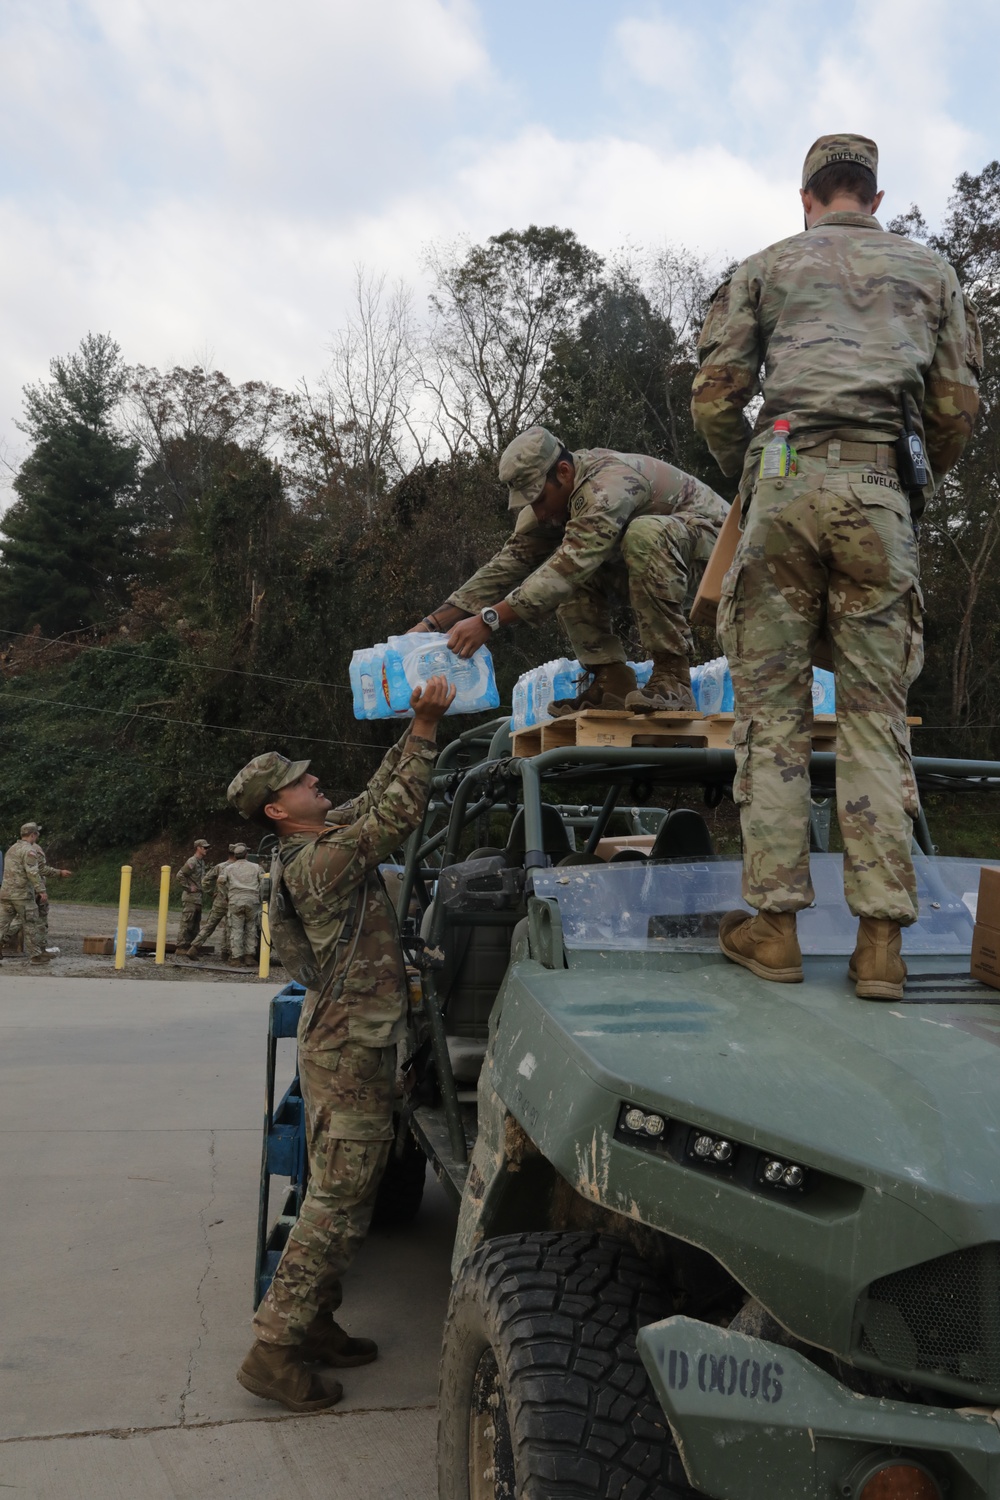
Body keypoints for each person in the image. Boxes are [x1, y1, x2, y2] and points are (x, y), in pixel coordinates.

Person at [691, 132, 982, 1000]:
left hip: (778, 477)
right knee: (873, 717)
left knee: (773, 716)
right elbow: (959, 408)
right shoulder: (931, 274)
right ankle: (881, 946)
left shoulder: (767, 266)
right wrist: (901, 474)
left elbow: (714, 392)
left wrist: (751, 465)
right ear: (875, 198)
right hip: (878, 486)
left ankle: (774, 929)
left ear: (808, 197)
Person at [227, 674, 455, 1413]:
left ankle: (315, 1321)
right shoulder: (320, 863)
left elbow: (375, 795)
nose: (314, 780)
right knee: (336, 1198)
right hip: (347, 1049)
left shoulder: (318, 840)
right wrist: (424, 728)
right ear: (276, 810)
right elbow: (397, 812)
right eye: (298, 782)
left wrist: (412, 734)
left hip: (353, 1040)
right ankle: (274, 1347)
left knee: (351, 1196)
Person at [410, 427, 728, 714]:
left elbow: (572, 564)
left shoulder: (607, 485)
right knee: (565, 571)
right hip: (664, 565)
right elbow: (506, 566)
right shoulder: (557, 503)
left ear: (563, 472)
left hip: (720, 565)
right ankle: (612, 684)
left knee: (616, 546)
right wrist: (430, 624)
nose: (539, 511)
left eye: (539, 498)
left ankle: (673, 680)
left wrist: (488, 620)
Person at [0, 823, 64, 964]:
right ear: (32, 835)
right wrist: (41, 890)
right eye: (36, 834)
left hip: (5, 893)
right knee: (31, 924)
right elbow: (33, 872)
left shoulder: (12, 849)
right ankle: (36, 956)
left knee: (2, 925)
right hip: (22, 895)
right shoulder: (29, 851)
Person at [182, 846, 236, 960]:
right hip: (233, 900)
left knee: (209, 925)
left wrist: (211, 893)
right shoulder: (239, 868)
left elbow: (205, 880)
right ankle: (226, 952)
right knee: (230, 926)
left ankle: (194, 948)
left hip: (220, 900)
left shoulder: (220, 866)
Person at [220, 843, 264, 969]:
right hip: (252, 901)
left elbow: (221, 882)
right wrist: (259, 896)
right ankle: (249, 956)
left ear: (235, 855)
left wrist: (227, 895)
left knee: (236, 929)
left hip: (235, 900)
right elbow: (265, 882)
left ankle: (236, 958)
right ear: (246, 854)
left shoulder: (228, 868)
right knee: (251, 929)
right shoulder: (256, 867)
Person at [174, 839, 210, 952]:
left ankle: (190, 946)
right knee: (187, 922)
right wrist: (188, 888)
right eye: (204, 847)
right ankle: (181, 946)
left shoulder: (201, 862)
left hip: (198, 897)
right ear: (198, 848)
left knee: (195, 924)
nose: (206, 850)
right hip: (191, 897)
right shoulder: (192, 861)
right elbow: (180, 875)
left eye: (207, 848)